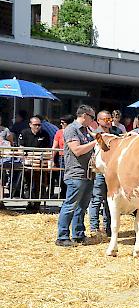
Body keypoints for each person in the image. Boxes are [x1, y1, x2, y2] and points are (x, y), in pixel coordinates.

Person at [55, 105, 97, 247]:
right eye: (92, 118)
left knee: (82, 207)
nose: (93, 121)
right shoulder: (71, 129)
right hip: (76, 173)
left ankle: (78, 234)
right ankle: (62, 236)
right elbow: (77, 150)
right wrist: (95, 142)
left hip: (87, 174)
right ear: (84, 115)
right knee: (70, 205)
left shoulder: (87, 130)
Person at [88, 110, 121, 237]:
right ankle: (94, 227)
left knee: (110, 200)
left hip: (112, 172)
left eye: (109, 119)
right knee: (97, 199)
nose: (108, 121)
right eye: (105, 119)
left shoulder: (116, 133)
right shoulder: (95, 134)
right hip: (100, 171)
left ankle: (108, 228)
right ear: (98, 121)